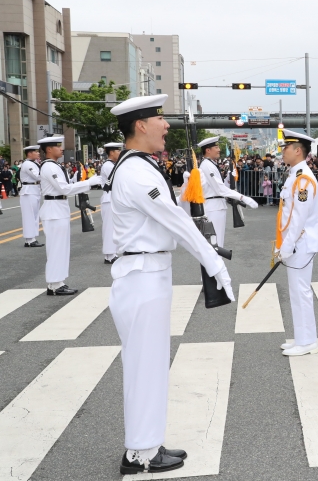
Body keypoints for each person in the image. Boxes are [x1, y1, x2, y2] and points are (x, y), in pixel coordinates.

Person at [106, 94, 233, 474]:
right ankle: (141, 454)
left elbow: (171, 216)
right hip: (143, 278)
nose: (166, 126)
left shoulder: (139, 167)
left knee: (150, 364)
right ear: (140, 126)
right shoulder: (136, 172)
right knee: (146, 366)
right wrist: (214, 264)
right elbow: (176, 221)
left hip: (148, 275)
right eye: (159, 119)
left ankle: (145, 445)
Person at [37, 135, 102, 296]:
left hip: (59, 208)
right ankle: (54, 285)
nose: (61, 149)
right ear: (49, 149)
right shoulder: (49, 167)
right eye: (58, 146)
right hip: (54, 210)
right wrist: (89, 182)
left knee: (61, 249)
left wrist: (78, 179)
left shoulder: (55, 166)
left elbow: (66, 186)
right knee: (56, 249)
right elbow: (64, 189)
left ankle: (58, 282)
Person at [276, 130, 318, 357]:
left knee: (301, 291)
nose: (282, 151)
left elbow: (298, 217)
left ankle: (307, 342)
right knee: (296, 292)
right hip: (295, 242)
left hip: (300, 243)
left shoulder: (303, 178)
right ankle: (302, 338)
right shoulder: (295, 174)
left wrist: (286, 245)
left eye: (286, 147)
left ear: (297, 150)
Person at [197, 136, 257, 247]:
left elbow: (220, 186)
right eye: (216, 147)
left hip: (217, 205)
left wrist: (229, 179)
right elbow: (219, 189)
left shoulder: (211, 164)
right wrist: (242, 197)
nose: (219, 149)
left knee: (217, 243)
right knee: (215, 244)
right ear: (208, 150)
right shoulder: (207, 165)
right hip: (213, 207)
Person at [100, 142, 123, 264]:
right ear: (111, 152)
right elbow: (118, 180)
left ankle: (112, 253)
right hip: (109, 198)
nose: (119, 153)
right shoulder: (108, 166)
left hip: (113, 197)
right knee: (109, 227)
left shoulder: (113, 164)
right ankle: (109, 255)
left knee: (114, 227)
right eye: (118, 151)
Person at [19, 145, 44, 247]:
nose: (38, 153)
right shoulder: (27, 164)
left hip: (34, 190)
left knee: (34, 216)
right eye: (36, 152)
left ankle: (31, 238)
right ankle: (30, 240)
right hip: (28, 191)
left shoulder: (34, 163)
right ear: (29, 154)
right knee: (29, 216)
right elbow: (37, 176)